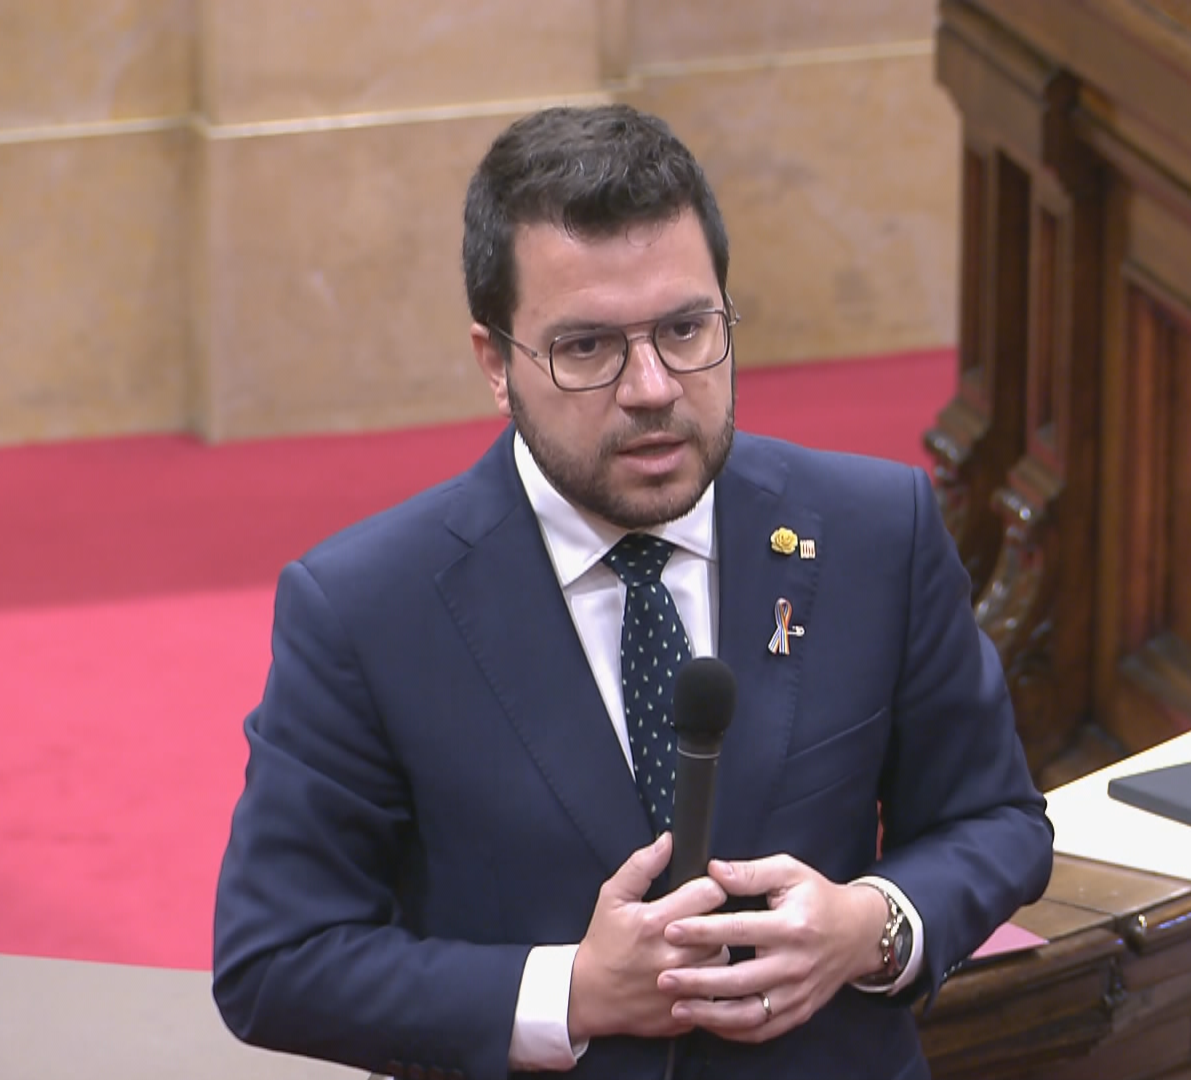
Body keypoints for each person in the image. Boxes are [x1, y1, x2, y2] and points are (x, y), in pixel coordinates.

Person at [212, 104, 1053, 1080]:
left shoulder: (875, 530)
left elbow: (995, 821)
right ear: (496, 364)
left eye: (686, 329)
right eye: (587, 348)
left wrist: (871, 926)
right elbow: (277, 960)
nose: (652, 387)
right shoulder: (367, 608)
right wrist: (570, 992)